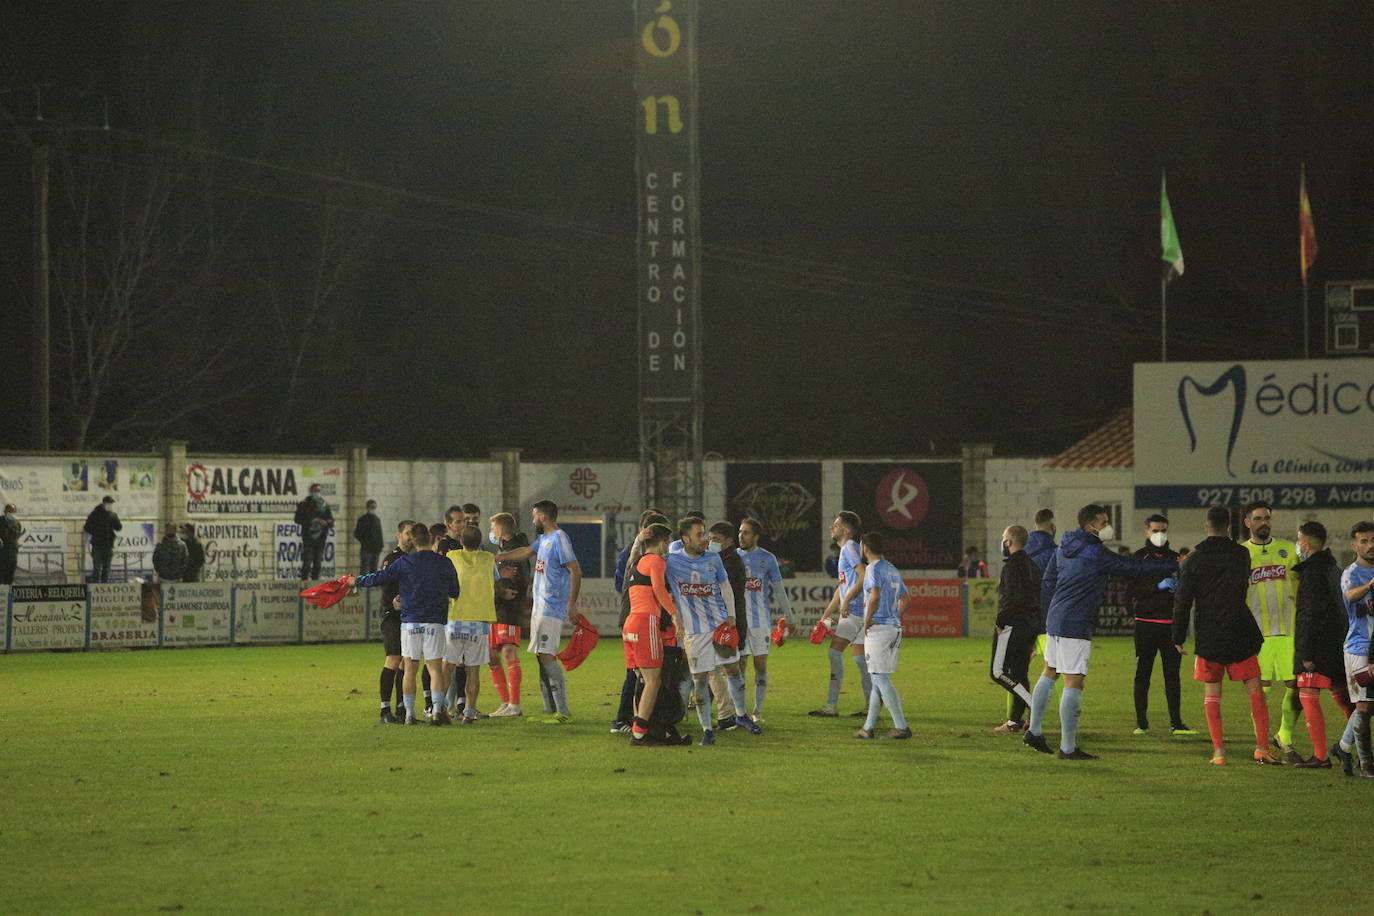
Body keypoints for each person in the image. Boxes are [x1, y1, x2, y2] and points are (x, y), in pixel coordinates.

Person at [1023, 503, 1175, 760]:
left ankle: (1034, 732)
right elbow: (1132, 567)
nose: (1108, 527)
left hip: (1056, 620)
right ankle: (1068, 748)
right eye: (1104, 523)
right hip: (1075, 623)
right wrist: (1171, 565)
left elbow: (1048, 582)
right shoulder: (1094, 552)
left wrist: (1052, 613)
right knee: (1074, 681)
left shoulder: (1063, 546)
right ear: (1089, 526)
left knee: (1050, 672)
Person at [1171, 505, 1280, 766]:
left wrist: (1177, 635)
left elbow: (1183, 600)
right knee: (1255, 690)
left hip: (1209, 633)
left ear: (1206, 526)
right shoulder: (1242, 555)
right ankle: (1262, 747)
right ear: (1230, 527)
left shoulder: (1194, 559)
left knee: (1212, 694)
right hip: (1240, 628)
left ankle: (1219, 752)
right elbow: (1241, 584)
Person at [349, 522, 459, 726]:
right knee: (435, 668)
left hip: (410, 622)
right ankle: (436, 711)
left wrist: (356, 581)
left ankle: (408, 714)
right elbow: (455, 591)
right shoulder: (444, 563)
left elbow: (378, 578)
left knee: (409, 668)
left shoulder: (405, 562)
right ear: (430, 537)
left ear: (413, 541)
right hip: (434, 621)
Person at [664, 516, 761, 745]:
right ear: (685, 538)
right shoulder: (671, 561)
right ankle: (707, 730)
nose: (704, 538)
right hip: (695, 633)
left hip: (719, 627)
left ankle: (740, 715)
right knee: (699, 681)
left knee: (733, 669)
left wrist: (731, 616)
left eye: (705, 533)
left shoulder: (713, 558)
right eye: (699, 534)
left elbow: (725, 586)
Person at [495, 500, 582, 723]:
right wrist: (500, 557)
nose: (533, 520)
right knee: (540, 655)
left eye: (534, 516)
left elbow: (575, 569)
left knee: (546, 655)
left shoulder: (559, 538)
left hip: (552, 606)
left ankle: (563, 711)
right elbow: (525, 551)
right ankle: (550, 708)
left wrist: (571, 604)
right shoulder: (543, 540)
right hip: (540, 606)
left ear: (543, 517)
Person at [1290, 521, 1356, 769]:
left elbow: (1310, 614)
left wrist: (1306, 652)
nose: (1298, 545)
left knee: (1308, 695)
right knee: (1347, 700)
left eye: (1299, 541)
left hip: (1319, 647)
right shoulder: (1334, 569)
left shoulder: (1312, 573)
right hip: (1339, 643)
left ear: (1305, 544)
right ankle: (1360, 748)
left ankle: (1321, 756)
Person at [1241, 500, 1303, 762]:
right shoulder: (1241, 553)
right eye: (1258, 518)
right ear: (1248, 523)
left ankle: (1284, 735)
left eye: (1267, 518)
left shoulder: (1288, 550)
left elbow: (1302, 585)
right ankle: (1262, 741)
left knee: (1296, 686)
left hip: (1289, 630)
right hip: (1258, 634)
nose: (1263, 523)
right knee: (1260, 689)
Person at [1129, 514, 1192, 736]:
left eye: (1163, 530)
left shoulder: (1176, 559)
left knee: (1172, 676)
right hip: (1145, 625)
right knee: (1142, 674)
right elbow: (1133, 591)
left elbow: (1186, 592)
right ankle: (1141, 724)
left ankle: (1176, 723)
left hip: (1169, 626)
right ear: (1146, 531)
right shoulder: (1138, 557)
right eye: (1155, 530)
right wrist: (1158, 586)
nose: (1160, 534)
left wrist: (1179, 588)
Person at [610, 511, 669, 733]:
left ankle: (640, 720)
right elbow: (624, 580)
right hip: (639, 616)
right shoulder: (641, 556)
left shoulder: (651, 557)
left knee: (640, 675)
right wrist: (673, 613)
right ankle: (630, 722)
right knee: (643, 675)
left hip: (634, 617)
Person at [809, 510, 872, 718]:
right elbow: (842, 586)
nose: (831, 527)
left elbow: (863, 575)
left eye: (835, 525)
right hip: (860, 612)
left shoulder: (849, 548)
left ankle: (831, 705)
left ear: (845, 530)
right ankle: (871, 706)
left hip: (854, 612)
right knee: (861, 661)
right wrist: (827, 612)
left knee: (835, 653)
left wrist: (847, 600)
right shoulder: (848, 550)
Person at [623, 523, 680, 745]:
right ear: (664, 541)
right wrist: (674, 614)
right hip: (646, 622)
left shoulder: (637, 562)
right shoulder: (656, 561)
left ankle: (639, 729)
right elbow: (658, 588)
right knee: (654, 681)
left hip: (631, 624)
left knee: (642, 680)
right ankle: (640, 733)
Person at [854, 532, 912, 739]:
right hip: (893, 628)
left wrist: (868, 619)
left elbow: (875, 596)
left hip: (879, 630)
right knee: (877, 678)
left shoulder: (872, 569)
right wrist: (893, 617)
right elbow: (905, 599)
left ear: (865, 548)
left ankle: (901, 726)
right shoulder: (892, 569)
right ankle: (868, 727)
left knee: (879, 678)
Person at [737, 516, 792, 723]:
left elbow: (778, 589)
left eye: (746, 532)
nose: (741, 536)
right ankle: (740, 711)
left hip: (760, 621)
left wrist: (790, 616)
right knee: (739, 665)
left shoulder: (767, 558)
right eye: (740, 531)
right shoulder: (733, 557)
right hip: (740, 622)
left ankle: (757, 711)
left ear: (755, 536)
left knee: (760, 665)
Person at [990, 525, 1041, 733]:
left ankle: (1033, 704)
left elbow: (1011, 599)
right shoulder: (1033, 565)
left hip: (1011, 626)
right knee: (1020, 672)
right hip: (1029, 626)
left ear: (1008, 542)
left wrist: (1001, 623)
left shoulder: (1012, 566)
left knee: (997, 672)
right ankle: (1014, 721)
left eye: (1003, 538)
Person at [444, 526, 497, 724]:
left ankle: (441, 706)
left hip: (456, 619)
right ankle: (469, 711)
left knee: (447, 667)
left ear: (461, 541)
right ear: (480, 541)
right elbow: (497, 579)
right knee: (473, 670)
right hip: (480, 621)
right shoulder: (489, 559)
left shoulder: (452, 556)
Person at [1333, 520, 1374, 778]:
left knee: (1367, 704)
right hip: (1359, 648)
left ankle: (1343, 747)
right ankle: (1366, 763)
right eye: (1364, 541)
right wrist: (1370, 586)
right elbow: (1349, 596)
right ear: (1354, 545)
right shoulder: (1351, 573)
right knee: (1364, 707)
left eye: (1373, 541)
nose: (1370, 546)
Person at [487, 511, 531, 718]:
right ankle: (505, 703)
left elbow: (517, 582)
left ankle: (515, 705)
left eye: (493, 527)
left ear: (501, 529)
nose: (491, 531)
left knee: (508, 652)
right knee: (492, 656)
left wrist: (506, 589)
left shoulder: (516, 551)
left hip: (510, 609)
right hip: (496, 608)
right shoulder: (502, 549)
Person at [708, 520, 748, 729]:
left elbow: (727, 595)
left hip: (727, 623)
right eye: (710, 538)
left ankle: (729, 715)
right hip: (728, 622)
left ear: (728, 541)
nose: (711, 542)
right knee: (728, 669)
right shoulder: (723, 559)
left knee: (721, 668)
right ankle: (736, 713)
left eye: (716, 539)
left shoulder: (730, 563)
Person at [374, 519, 414, 723]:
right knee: (394, 658)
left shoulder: (417, 559)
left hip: (410, 617)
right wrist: (392, 601)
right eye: (407, 533)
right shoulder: (392, 558)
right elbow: (385, 584)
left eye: (413, 533)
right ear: (399, 535)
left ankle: (401, 708)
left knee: (407, 663)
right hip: (392, 616)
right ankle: (384, 710)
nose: (410, 537)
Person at [293, 484, 334, 580]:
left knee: (318, 563)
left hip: (321, 538)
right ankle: (304, 584)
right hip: (308, 537)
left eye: (319, 490)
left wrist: (325, 522)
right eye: (315, 490)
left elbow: (331, 521)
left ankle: (315, 585)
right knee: (307, 562)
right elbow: (297, 519)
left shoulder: (324, 505)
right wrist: (311, 521)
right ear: (311, 491)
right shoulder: (304, 504)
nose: (317, 493)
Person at [83, 495, 122, 583]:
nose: (110, 506)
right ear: (104, 504)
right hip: (97, 545)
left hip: (108, 545)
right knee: (96, 568)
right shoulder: (95, 514)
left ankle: (104, 585)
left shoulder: (112, 515)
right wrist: (96, 532)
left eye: (111, 504)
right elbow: (87, 527)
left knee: (106, 568)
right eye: (108, 503)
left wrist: (114, 518)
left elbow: (119, 527)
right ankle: (95, 585)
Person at [354, 499, 384, 575]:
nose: (373, 509)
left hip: (376, 548)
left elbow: (379, 534)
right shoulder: (362, 519)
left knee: (374, 568)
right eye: (372, 507)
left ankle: (372, 585)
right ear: (367, 507)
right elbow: (357, 534)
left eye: (374, 507)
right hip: (366, 548)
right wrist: (365, 542)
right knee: (364, 567)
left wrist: (380, 545)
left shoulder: (377, 519)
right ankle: (363, 585)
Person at [0, 503, 24, 585]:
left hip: (12, 555)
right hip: (2, 554)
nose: (10, 512)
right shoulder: (0, 521)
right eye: (9, 510)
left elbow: (17, 536)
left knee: (10, 578)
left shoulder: (17, 524)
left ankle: (6, 595)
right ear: (5, 511)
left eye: (12, 511)